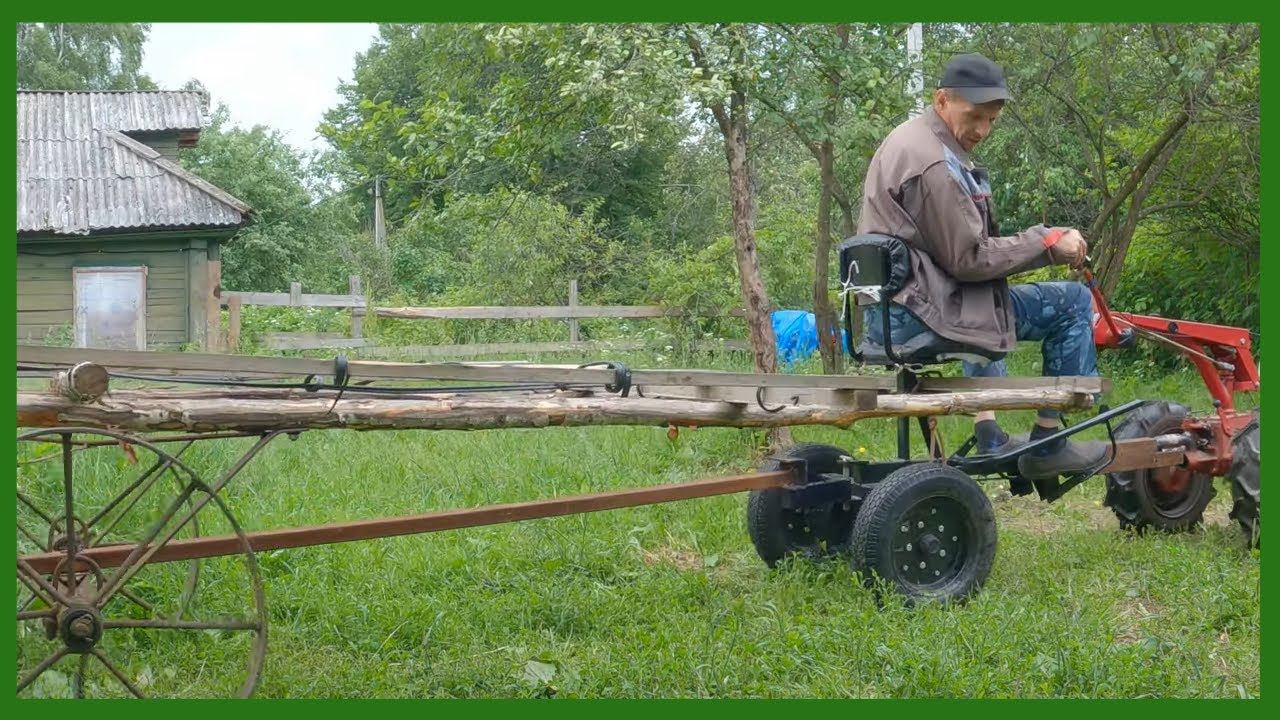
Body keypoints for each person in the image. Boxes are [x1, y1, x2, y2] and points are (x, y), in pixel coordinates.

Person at [856, 52, 1106, 484]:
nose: (982, 131)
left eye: (991, 120)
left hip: (891, 313)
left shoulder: (916, 140)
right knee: (1073, 301)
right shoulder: (934, 163)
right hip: (918, 314)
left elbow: (959, 259)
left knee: (987, 297)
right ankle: (1049, 443)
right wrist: (1046, 242)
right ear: (941, 100)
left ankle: (989, 434)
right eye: (974, 117)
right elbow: (970, 259)